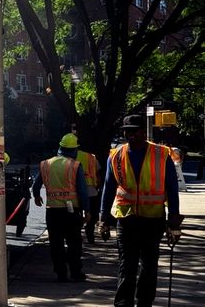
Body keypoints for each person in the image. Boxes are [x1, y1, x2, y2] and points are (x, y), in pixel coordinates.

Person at [98, 114, 183, 307]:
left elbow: (172, 187)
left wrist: (174, 222)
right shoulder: (117, 155)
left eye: (134, 131)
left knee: (149, 267)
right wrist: (103, 219)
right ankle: (123, 304)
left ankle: (144, 302)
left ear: (143, 131)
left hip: (153, 220)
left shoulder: (162, 154)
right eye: (127, 132)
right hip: (126, 220)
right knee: (126, 267)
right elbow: (108, 187)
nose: (130, 135)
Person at [32, 134, 91, 282]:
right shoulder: (75, 165)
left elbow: (36, 185)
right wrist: (87, 210)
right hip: (72, 212)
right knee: (74, 242)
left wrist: (37, 196)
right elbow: (82, 191)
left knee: (56, 243)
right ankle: (76, 272)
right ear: (74, 150)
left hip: (52, 210)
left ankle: (61, 272)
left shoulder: (46, 164)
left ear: (60, 147)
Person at [70, 134, 102, 243]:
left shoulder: (70, 158)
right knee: (91, 216)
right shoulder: (91, 157)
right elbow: (98, 176)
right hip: (91, 191)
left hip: (75, 192)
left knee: (76, 214)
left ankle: (77, 234)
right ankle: (90, 234)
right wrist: (97, 186)